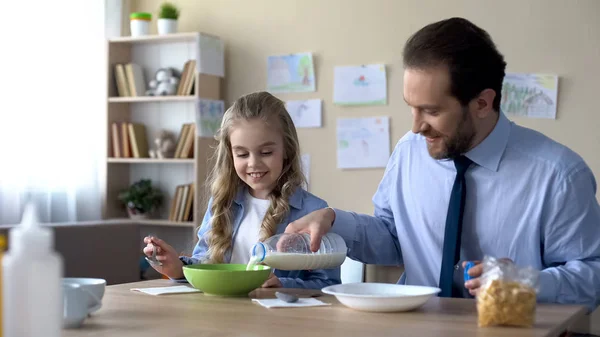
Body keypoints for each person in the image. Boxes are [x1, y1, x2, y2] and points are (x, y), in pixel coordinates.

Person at [285, 17, 600, 311]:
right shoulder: (409, 152)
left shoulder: (558, 175)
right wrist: (332, 220)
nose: (416, 127)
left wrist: (528, 282)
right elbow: (394, 238)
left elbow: (592, 277)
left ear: (481, 103)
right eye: (412, 108)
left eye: (431, 111)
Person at [143, 91, 340, 289]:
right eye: (242, 154)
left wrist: (283, 284)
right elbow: (205, 266)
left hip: (277, 318)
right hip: (222, 314)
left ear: (287, 150)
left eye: (266, 152)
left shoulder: (314, 212)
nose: (253, 163)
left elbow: (327, 284)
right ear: (231, 155)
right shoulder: (223, 203)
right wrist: (177, 268)